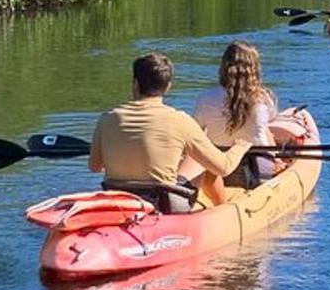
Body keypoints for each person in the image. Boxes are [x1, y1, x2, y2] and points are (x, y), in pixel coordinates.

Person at [89, 53, 250, 211]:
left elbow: (95, 166)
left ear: (135, 83)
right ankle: (223, 211)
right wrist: (240, 147)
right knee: (201, 159)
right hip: (164, 204)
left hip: (118, 201)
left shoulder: (107, 118)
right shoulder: (180, 120)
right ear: (168, 87)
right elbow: (223, 168)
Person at [193, 41, 287, 181]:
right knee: (265, 130)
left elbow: (197, 132)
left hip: (219, 167)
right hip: (258, 166)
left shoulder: (206, 98)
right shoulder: (263, 99)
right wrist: (276, 158)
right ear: (254, 69)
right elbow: (267, 124)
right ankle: (276, 160)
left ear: (224, 67)